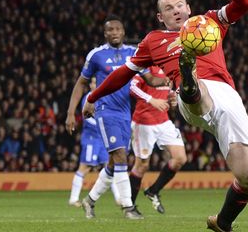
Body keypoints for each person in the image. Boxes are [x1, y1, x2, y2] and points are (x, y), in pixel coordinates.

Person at [83, 0, 248, 232]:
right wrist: (92, 97)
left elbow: (245, 3)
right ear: (160, 17)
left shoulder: (208, 21)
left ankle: (222, 222)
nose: (175, 10)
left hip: (228, 97)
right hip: (193, 99)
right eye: (168, 8)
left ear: (188, 8)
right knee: (198, 91)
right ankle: (188, 78)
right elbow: (123, 74)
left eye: (179, 5)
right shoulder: (152, 41)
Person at [65, 15, 163, 220]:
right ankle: (128, 207)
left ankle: (89, 200)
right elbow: (81, 83)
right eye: (110, 30)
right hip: (104, 110)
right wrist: (70, 113)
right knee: (120, 157)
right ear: (105, 33)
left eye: (118, 29)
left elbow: (151, 80)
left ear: (123, 31)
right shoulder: (96, 55)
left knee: (114, 162)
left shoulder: (133, 54)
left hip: (125, 113)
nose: (114, 32)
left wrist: (170, 77)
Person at [129, 66, 186, 214]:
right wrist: (150, 99)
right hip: (144, 122)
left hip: (163, 121)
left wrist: (173, 100)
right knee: (142, 166)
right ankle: (130, 206)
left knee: (180, 158)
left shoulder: (168, 69)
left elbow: (169, 93)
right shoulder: (146, 68)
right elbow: (132, 87)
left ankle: (153, 191)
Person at [68, 77, 115, 207]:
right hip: (91, 139)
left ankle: (120, 198)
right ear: (90, 85)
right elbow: (86, 118)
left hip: (101, 139)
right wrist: (104, 125)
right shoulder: (88, 98)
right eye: (94, 82)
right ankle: (73, 199)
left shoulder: (104, 96)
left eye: (97, 82)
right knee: (85, 167)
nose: (96, 84)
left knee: (110, 166)